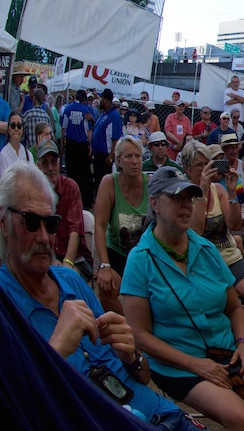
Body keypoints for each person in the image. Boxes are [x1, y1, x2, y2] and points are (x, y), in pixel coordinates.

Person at [0, 162, 204, 430]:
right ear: (4, 225)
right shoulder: (6, 306)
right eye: (30, 221)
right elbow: (20, 408)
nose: (43, 237)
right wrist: (57, 348)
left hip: (162, 415)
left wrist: (132, 356)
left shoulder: (71, 281)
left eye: (50, 224)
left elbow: (142, 376)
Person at [120, 167, 244, 431]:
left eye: (190, 198)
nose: (186, 205)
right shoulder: (140, 260)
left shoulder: (205, 249)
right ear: (154, 204)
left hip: (227, 352)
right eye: (176, 198)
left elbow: (234, 308)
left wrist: (243, 344)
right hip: (179, 364)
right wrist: (197, 365)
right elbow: (139, 335)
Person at [182, 141, 244, 326]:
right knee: (212, 302)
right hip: (199, 262)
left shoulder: (219, 190)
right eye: (199, 165)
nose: (204, 169)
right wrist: (202, 191)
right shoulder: (181, 194)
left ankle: (231, 336)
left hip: (228, 256)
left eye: (207, 164)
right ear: (186, 168)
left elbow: (235, 225)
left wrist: (232, 194)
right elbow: (196, 232)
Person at [94, 135, 150, 315]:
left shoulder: (150, 183)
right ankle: (123, 329)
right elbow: (100, 226)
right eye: (128, 157)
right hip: (117, 253)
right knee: (105, 286)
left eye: (138, 156)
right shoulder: (109, 183)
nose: (134, 161)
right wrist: (104, 265)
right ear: (118, 161)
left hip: (144, 257)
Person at [91, 89, 123, 189]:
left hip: (105, 157)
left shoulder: (114, 116)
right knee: (97, 184)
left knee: (104, 186)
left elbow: (116, 139)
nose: (99, 101)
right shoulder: (103, 114)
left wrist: (110, 157)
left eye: (101, 99)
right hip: (97, 156)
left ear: (105, 99)